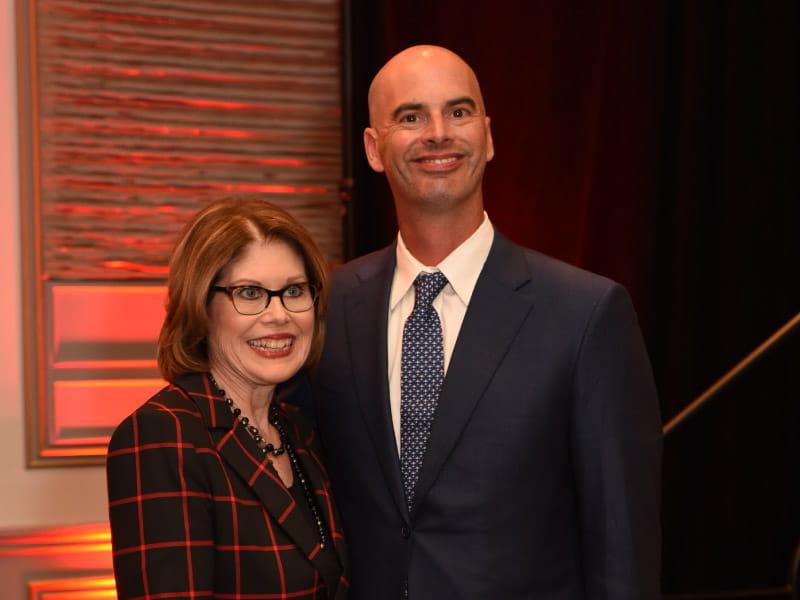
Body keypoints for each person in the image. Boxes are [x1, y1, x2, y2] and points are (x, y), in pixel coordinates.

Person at [312, 45, 662, 599]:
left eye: (459, 111)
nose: (438, 133)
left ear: (489, 135)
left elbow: (620, 545)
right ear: (374, 150)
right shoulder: (325, 308)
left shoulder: (586, 315)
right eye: (411, 116)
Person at [107, 198, 349, 599]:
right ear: (201, 306)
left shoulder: (299, 429)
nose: (278, 314)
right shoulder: (162, 434)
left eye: (293, 290)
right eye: (250, 293)